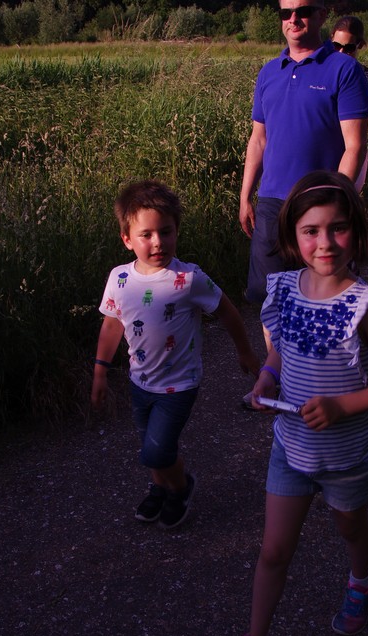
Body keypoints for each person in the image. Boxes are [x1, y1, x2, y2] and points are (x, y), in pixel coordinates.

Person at [232, 170, 368, 636]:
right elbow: (283, 347)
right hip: (290, 449)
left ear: (356, 229)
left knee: (351, 528)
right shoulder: (285, 288)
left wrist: (341, 406)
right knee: (273, 550)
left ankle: (361, 580)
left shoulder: (367, 305)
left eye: (338, 228)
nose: (325, 242)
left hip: (347, 455)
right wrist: (267, 376)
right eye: (310, 231)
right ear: (292, 235)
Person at [92, 180, 260, 529]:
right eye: (146, 235)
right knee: (151, 445)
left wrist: (245, 351)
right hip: (140, 382)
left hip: (179, 385)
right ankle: (160, 487)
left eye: (165, 232)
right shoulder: (119, 279)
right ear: (127, 239)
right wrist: (100, 371)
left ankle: (181, 487)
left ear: (176, 232)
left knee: (156, 451)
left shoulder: (188, 278)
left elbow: (228, 311)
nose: (157, 242)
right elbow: (112, 325)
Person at [239, 1, 368, 304]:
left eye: (303, 11)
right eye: (286, 13)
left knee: (322, 294)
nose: (294, 19)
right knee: (267, 295)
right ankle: (276, 340)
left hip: (319, 202)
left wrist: (337, 200)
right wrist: (246, 196)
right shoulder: (269, 72)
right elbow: (258, 139)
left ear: (322, 15)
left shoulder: (344, 69)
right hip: (271, 201)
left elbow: (355, 145)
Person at [331, 15, 368, 208]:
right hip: (323, 151)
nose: (341, 52)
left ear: (359, 45)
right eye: (336, 46)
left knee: (342, 207)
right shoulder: (320, 72)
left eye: (349, 48)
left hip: (353, 153)